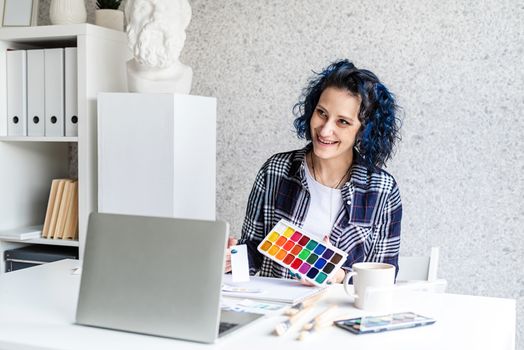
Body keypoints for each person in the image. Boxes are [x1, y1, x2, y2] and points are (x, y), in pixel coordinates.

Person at [226, 59, 402, 284]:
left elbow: (384, 280)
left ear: (364, 131)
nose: (325, 129)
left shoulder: (382, 190)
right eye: (321, 113)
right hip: (279, 310)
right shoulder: (275, 171)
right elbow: (253, 251)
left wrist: (338, 276)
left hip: (341, 313)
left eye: (343, 122)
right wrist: (232, 259)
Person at [125, 0, 193, 94]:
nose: (156, 16)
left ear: (182, 22)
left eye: (168, 9)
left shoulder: (185, 74)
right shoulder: (125, 71)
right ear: (130, 19)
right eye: (144, 8)